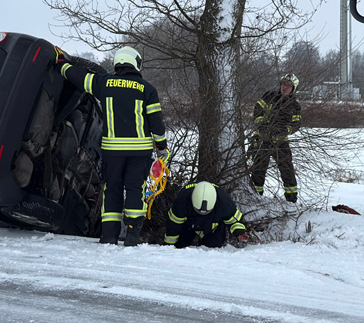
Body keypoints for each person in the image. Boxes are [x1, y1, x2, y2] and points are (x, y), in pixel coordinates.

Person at [57, 45, 168, 246]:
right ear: (136, 63)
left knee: (112, 189)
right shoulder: (147, 89)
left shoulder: (104, 83)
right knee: (136, 189)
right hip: (139, 151)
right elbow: (156, 124)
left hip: (112, 151)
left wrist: (61, 65)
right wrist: (162, 147)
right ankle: (133, 236)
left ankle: (109, 236)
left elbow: (79, 77)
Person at [248, 72, 302, 202]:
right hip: (263, 139)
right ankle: (256, 197)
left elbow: (296, 124)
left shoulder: (294, 105)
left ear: (293, 88)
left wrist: (285, 130)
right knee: (258, 169)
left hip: (281, 142)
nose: (285, 87)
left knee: (287, 170)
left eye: (288, 85)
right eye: (283, 84)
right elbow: (258, 111)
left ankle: (291, 199)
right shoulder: (269, 96)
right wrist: (262, 125)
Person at [164, 181, 248, 248]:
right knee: (180, 247)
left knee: (213, 249)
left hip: (213, 227)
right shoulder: (182, 201)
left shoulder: (224, 203)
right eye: (198, 210)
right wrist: (169, 246)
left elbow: (234, 221)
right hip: (188, 225)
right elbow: (173, 226)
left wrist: (240, 233)